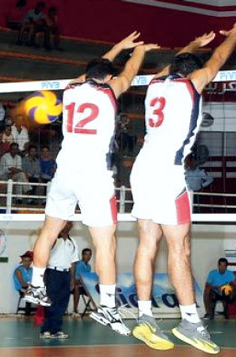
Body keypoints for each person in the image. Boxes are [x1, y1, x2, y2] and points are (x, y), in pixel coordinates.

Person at [129, 23, 236, 353]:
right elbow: (216, 60)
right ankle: (190, 322)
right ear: (192, 72)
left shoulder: (156, 83)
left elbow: (177, 62)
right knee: (180, 248)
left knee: (147, 243)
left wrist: (192, 42)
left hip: (140, 169)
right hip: (168, 173)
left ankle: (144, 317)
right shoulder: (191, 84)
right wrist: (234, 37)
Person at [24, 32, 159, 337]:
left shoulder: (71, 89)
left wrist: (118, 46)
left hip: (64, 172)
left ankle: (35, 285)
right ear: (107, 77)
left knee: (49, 231)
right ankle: (108, 308)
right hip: (93, 177)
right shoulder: (110, 91)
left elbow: (97, 69)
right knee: (105, 243)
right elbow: (130, 72)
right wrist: (139, 50)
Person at [40, 222, 78, 339]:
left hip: (66, 274)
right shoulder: (53, 239)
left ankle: (57, 329)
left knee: (62, 303)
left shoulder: (73, 242)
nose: (69, 225)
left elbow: (73, 262)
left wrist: (72, 279)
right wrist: (44, 275)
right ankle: (46, 329)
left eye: (71, 223)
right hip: (53, 272)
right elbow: (44, 256)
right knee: (51, 302)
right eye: (67, 223)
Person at [71, 247, 92, 315]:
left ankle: (96, 308)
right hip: (75, 286)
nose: (88, 256)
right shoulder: (79, 264)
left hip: (84, 286)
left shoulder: (89, 266)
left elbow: (87, 279)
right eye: (86, 254)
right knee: (77, 287)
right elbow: (75, 281)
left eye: (89, 255)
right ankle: (75, 310)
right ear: (82, 255)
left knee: (97, 288)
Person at [13, 250, 34, 315]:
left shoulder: (32, 270)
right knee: (29, 291)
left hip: (31, 287)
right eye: (25, 261)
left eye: (29, 261)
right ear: (22, 261)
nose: (27, 262)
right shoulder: (18, 270)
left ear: (31, 262)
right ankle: (27, 313)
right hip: (22, 288)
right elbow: (22, 283)